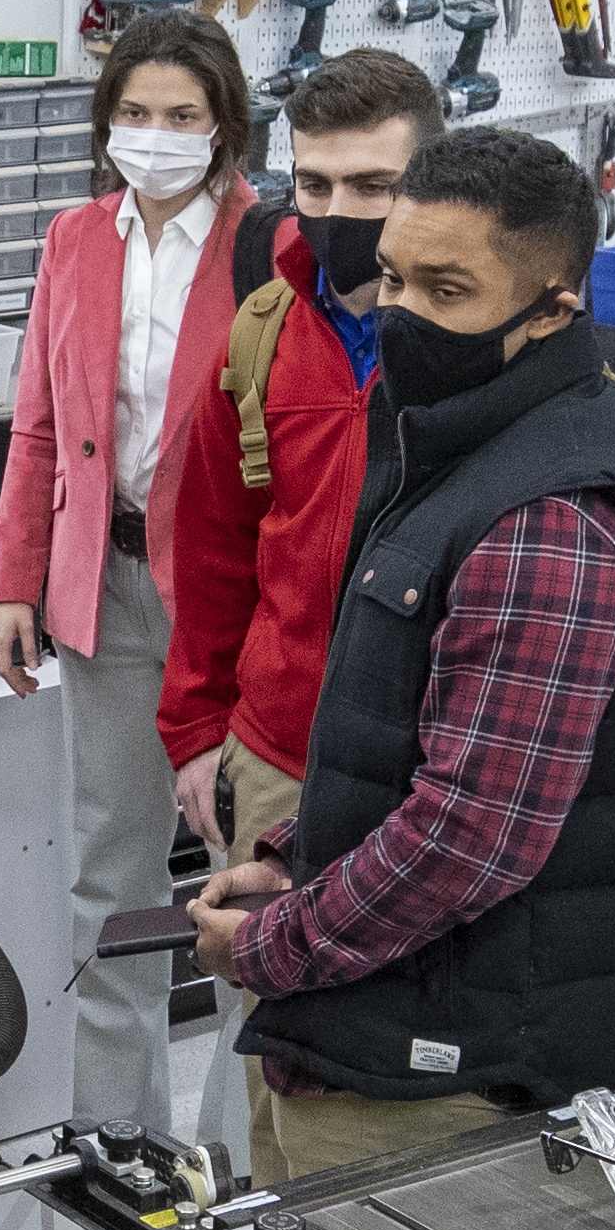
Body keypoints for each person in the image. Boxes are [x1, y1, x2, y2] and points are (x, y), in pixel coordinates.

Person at [188, 123, 615, 1182]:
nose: (405, 314)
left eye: (450, 290)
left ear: (555, 306)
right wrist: (299, 854)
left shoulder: (549, 513)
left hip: (448, 1075)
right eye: (394, 276)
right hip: (393, 1018)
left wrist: (272, 948)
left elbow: (470, 834)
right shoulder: (469, 429)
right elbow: (421, 728)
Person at [0, 18, 252, 1135]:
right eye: (135, 114)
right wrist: (14, 580)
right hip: (107, 590)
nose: (156, 136)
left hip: (230, 611)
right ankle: (116, 1150)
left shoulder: (267, 244)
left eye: (183, 116)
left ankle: (241, 1164)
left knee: (249, 883)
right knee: (110, 879)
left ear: (225, 126)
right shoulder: (75, 239)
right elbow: (38, 427)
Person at [151, 46, 439, 880]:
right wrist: (201, 737)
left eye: (373, 186)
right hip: (278, 755)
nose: (338, 211)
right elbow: (212, 550)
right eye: (315, 185)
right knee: (262, 1001)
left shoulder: (477, 347)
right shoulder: (260, 336)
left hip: (430, 768)